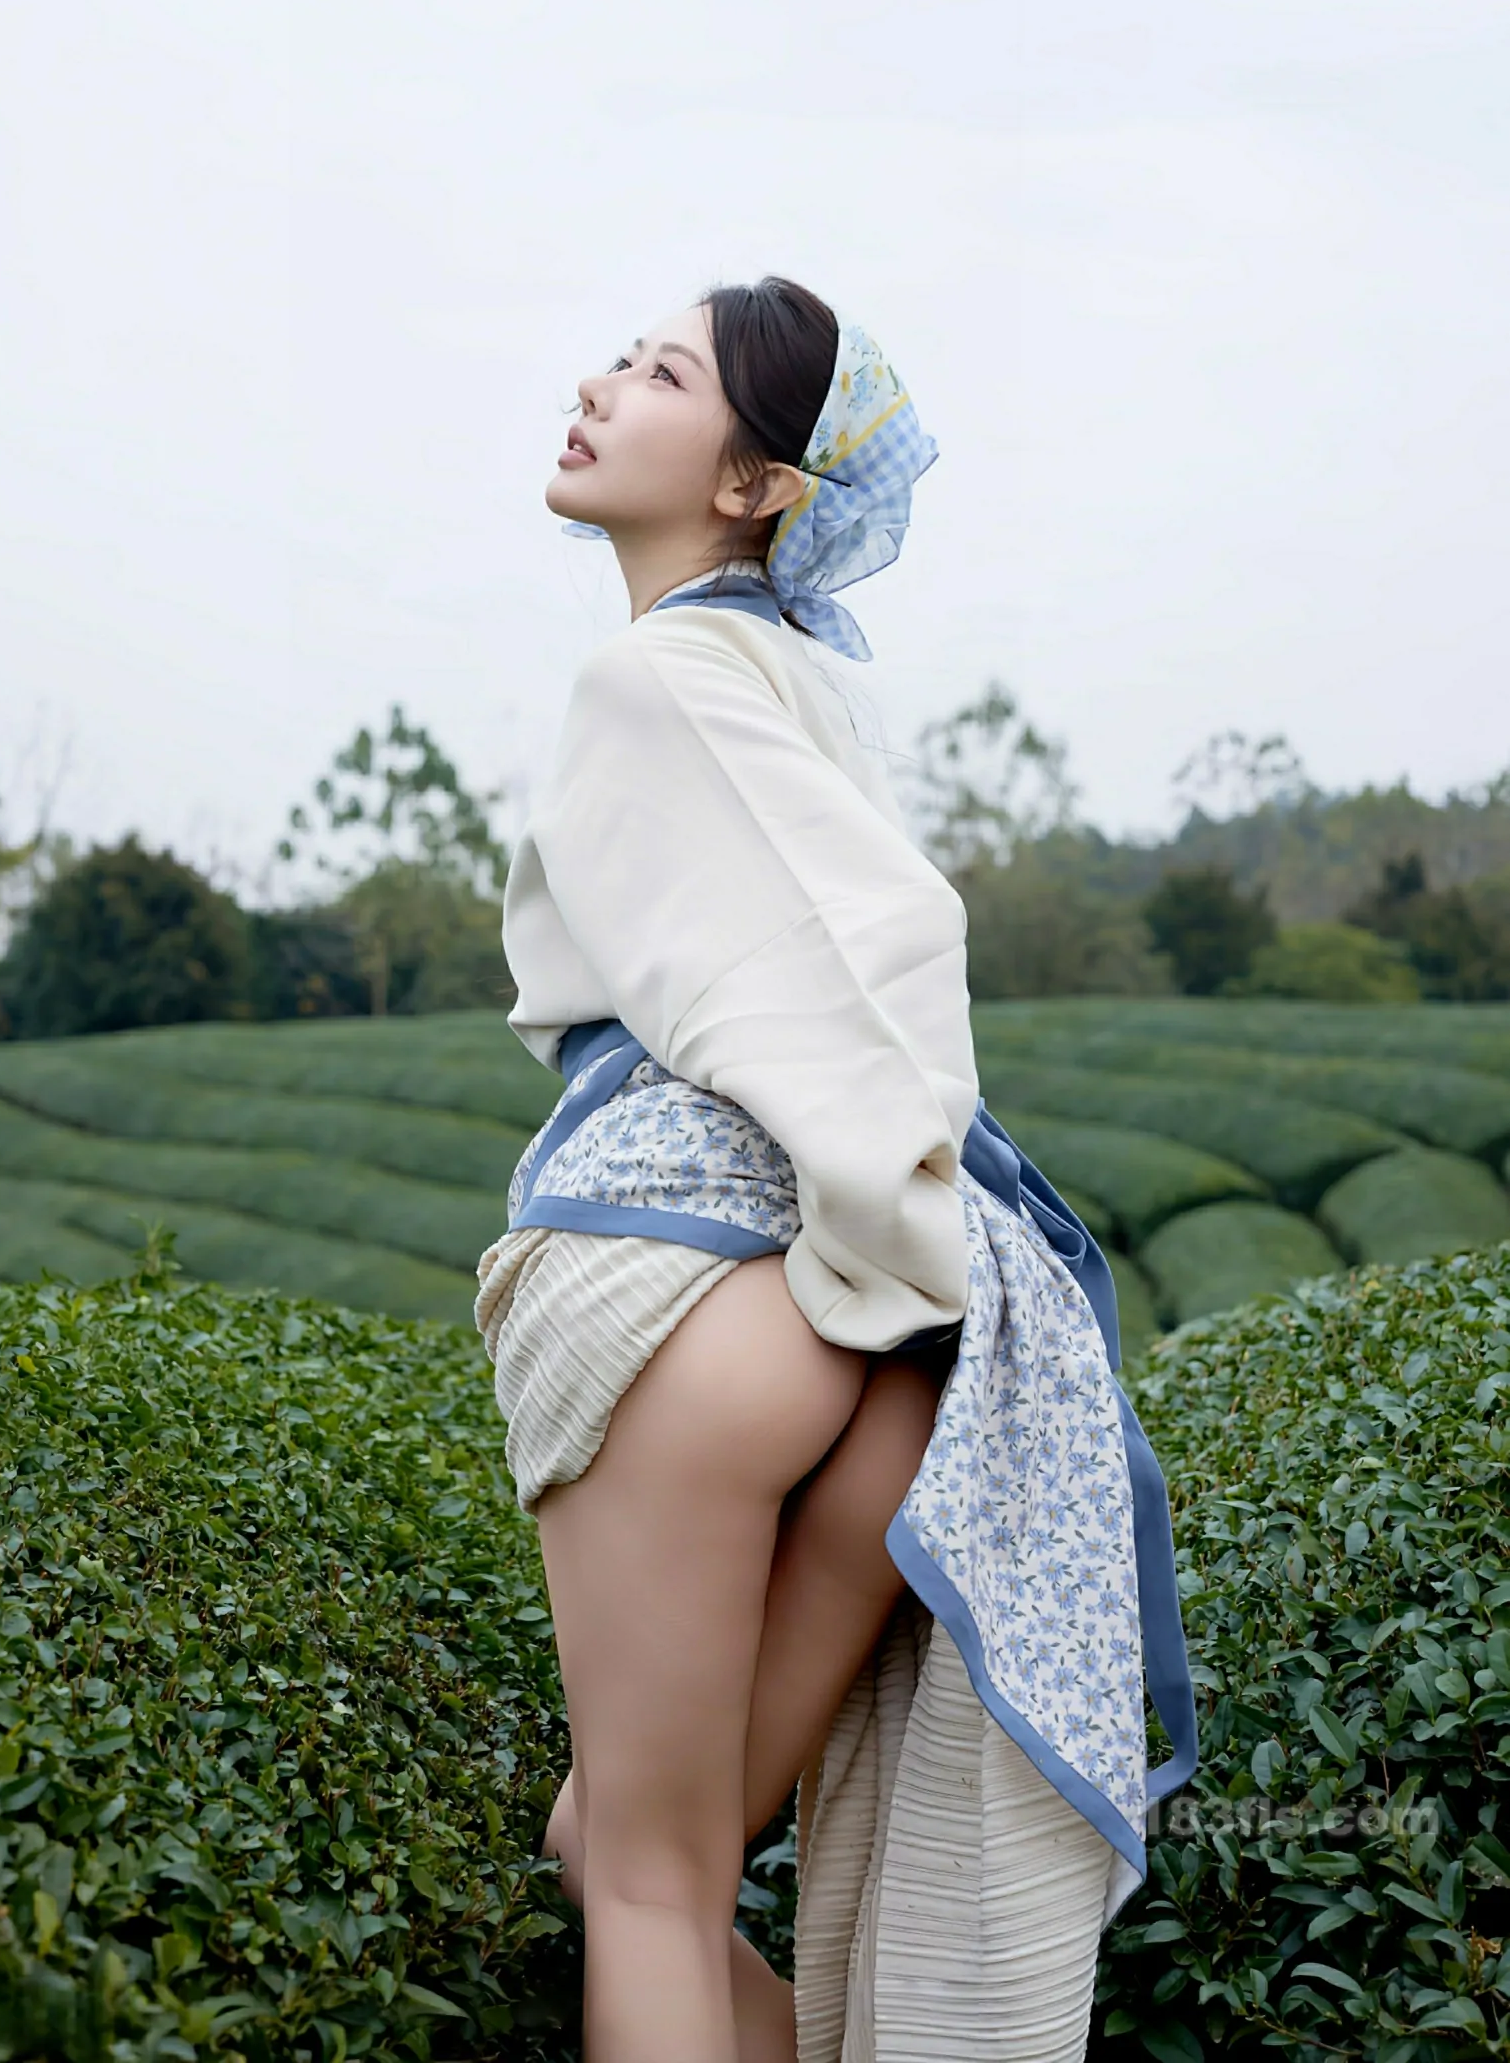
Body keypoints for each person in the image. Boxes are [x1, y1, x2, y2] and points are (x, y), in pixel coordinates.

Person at [475, 277, 1196, 2063]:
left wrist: (883, 1219)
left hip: (686, 1281)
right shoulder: (801, 677)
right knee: (625, 1847)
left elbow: (800, 978)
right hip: (886, 1342)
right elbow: (885, 960)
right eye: (621, 355)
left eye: (660, 374)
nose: (600, 384)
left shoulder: (651, 676)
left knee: (648, 1880)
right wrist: (914, 1249)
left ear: (757, 488)